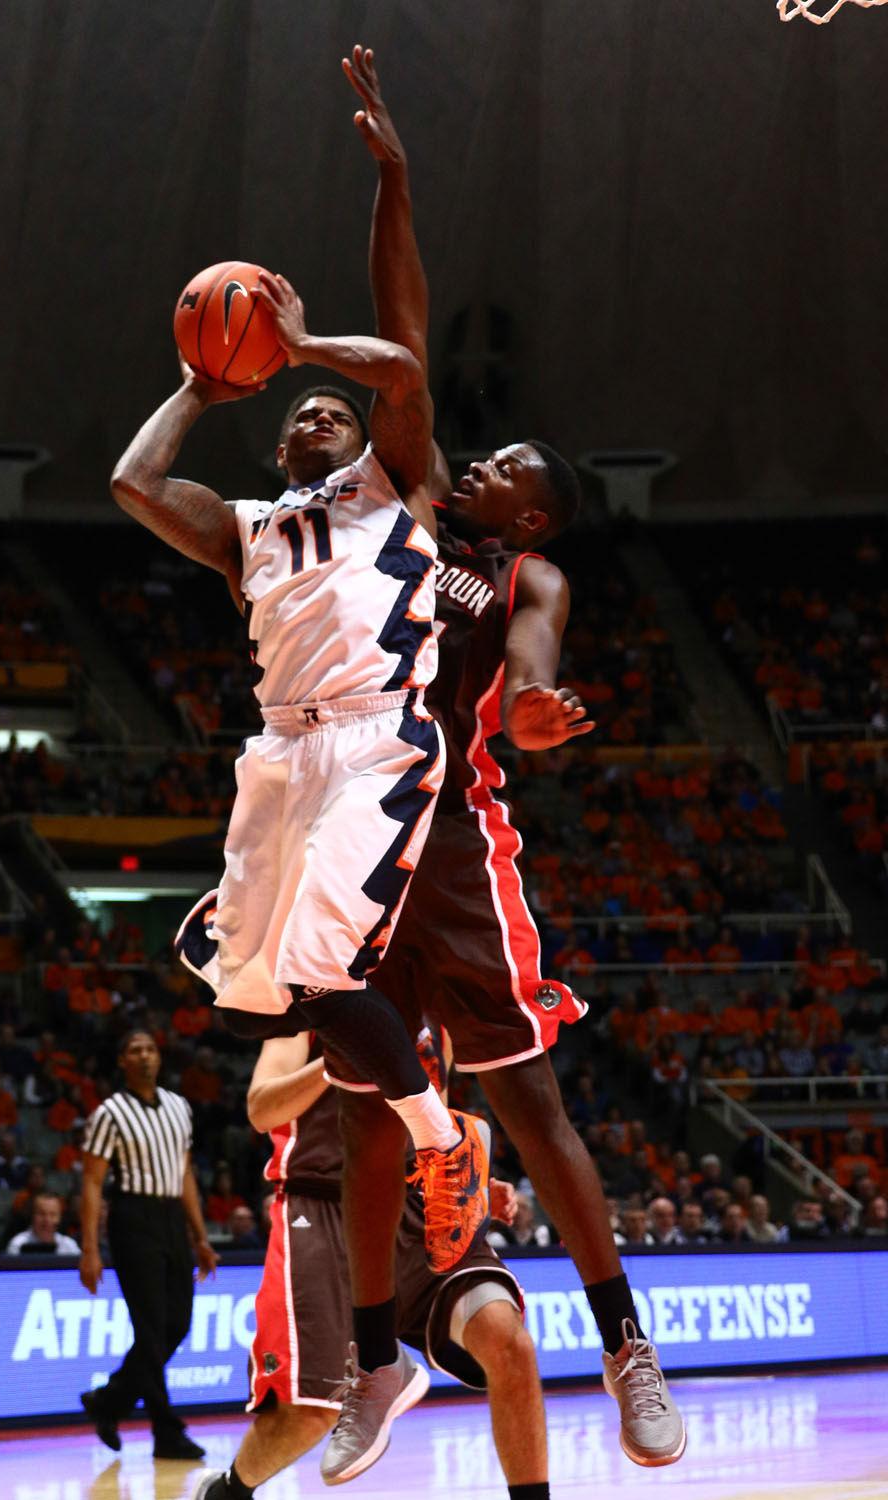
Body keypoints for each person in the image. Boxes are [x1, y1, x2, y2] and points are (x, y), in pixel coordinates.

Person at [323, 44, 685, 1472]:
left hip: (458, 840)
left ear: (534, 515)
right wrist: (397, 180)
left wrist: (531, 716)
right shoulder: (412, 504)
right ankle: (368, 1370)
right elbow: (403, 332)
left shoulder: (524, 583)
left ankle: (627, 1348)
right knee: (365, 1119)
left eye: (507, 473)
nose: (479, 471)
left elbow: (532, 672)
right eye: (482, 463)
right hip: (359, 844)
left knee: (527, 1103)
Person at [136, 261, 490, 1445]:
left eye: (327, 410)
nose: (314, 414)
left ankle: (442, 1147)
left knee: (325, 968)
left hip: (375, 743)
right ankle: (434, 1128)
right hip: (280, 758)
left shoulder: (391, 486)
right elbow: (136, 481)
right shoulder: (246, 532)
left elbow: (401, 369)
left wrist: (299, 343)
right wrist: (200, 384)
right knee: (263, 988)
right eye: (296, 412)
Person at [194, 1029, 547, 1500]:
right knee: (313, 1409)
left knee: (508, 1343)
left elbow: (432, 1120)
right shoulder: (303, 1007)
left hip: (416, 1202)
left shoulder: (435, 1020)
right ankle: (229, 1492)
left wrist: (480, 1177)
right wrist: (337, 1058)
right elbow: (261, 1109)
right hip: (323, 1205)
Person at [77, 1030, 217, 1460]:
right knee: (152, 1329)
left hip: (172, 1216)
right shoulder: (110, 1113)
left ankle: (111, 1400)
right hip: (132, 1218)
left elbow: (186, 1175)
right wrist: (89, 1248)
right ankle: (166, 1431)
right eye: (134, 1049)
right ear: (122, 1060)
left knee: (178, 1325)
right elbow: (92, 1180)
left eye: (150, 1049)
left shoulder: (179, 1107)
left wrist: (200, 1236)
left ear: (160, 1057)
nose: (144, 1056)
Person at [5, 1192, 80, 1255]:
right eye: (42, 1214)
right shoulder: (18, 1244)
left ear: (59, 1218)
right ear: (32, 1216)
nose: (47, 1220)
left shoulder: (69, 1245)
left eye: (53, 1214)